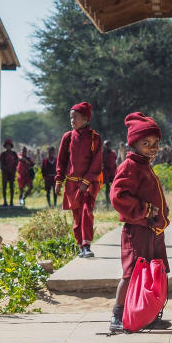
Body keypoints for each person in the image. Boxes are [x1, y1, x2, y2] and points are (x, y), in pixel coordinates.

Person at [108, 112, 172, 333]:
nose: (152, 148)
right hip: (137, 230)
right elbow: (117, 196)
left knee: (153, 272)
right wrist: (145, 210)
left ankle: (148, 315)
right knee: (133, 273)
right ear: (133, 143)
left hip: (152, 231)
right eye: (146, 143)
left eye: (155, 143)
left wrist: (162, 212)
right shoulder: (129, 166)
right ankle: (117, 315)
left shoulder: (144, 165)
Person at [55, 102, 103, 258]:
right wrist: (58, 181)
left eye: (75, 117)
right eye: (71, 118)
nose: (72, 121)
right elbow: (61, 161)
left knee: (87, 212)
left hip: (88, 185)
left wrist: (86, 181)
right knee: (77, 216)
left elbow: (96, 164)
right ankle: (80, 246)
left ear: (85, 118)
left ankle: (86, 245)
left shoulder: (95, 139)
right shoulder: (68, 137)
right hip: (71, 185)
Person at [0, 138, 18, 207]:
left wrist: (13, 169)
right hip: (5, 173)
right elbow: (1, 164)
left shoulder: (14, 154)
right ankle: (5, 201)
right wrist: (6, 169)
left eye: (9, 145)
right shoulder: (3, 154)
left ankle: (11, 201)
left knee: (11, 187)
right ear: (5, 146)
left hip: (12, 173)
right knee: (4, 187)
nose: (8, 147)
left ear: (11, 146)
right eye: (7, 145)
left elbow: (16, 162)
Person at [102, 140, 118, 208]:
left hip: (112, 171)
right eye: (106, 145)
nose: (107, 146)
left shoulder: (113, 153)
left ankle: (114, 200)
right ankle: (107, 201)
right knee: (108, 187)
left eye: (108, 145)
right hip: (106, 172)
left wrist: (117, 171)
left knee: (114, 187)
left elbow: (115, 162)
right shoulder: (103, 154)